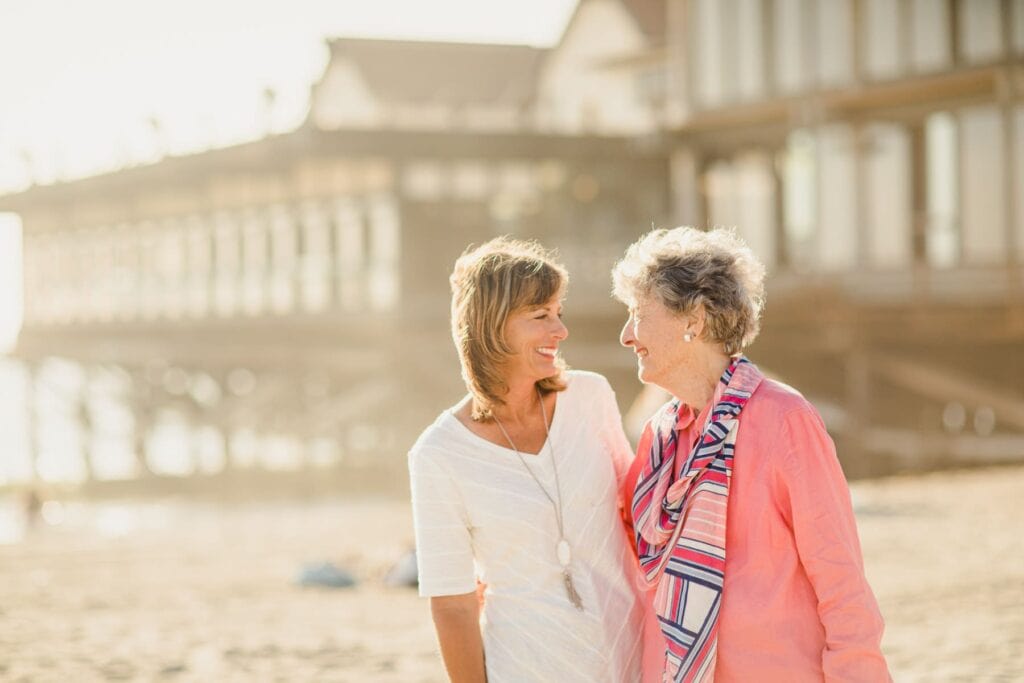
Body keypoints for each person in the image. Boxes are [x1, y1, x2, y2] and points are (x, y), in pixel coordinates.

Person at [612, 227, 891, 682]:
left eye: (639, 314)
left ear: (694, 320)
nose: (627, 335)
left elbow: (842, 581)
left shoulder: (785, 420)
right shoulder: (658, 439)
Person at [409, 237, 648, 682]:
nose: (560, 331)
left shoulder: (590, 397)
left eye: (559, 313)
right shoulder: (439, 454)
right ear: (491, 326)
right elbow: (452, 603)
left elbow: (638, 517)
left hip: (632, 659)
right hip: (526, 666)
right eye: (541, 316)